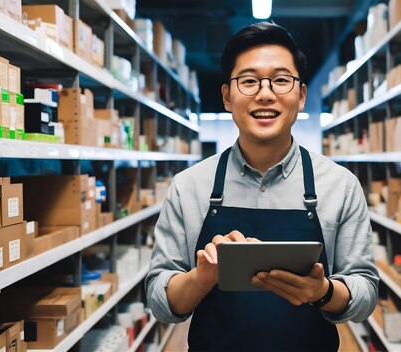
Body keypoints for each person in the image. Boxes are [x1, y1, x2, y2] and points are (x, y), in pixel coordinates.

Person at [145, 21, 379, 351]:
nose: (265, 94)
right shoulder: (189, 187)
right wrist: (202, 278)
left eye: (281, 80)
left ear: (300, 96)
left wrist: (322, 291)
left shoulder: (340, 186)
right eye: (249, 81)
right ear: (227, 96)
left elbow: (365, 291)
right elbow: (160, 301)